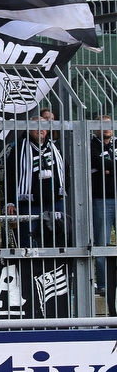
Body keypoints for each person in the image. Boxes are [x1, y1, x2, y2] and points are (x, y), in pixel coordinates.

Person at [3, 118, 68, 247]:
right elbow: (10, 176)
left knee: (56, 241)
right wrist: (10, 201)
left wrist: (62, 194)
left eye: (43, 126)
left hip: (55, 202)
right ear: (28, 129)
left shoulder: (55, 147)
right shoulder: (19, 147)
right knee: (28, 242)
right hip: (29, 204)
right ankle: (28, 267)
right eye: (35, 126)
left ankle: (53, 266)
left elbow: (66, 170)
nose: (40, 129)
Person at [90, 115, 115, 294]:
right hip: (101, 200)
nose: (106, 128)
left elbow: (104, 166)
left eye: (109, 125)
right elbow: (96, 162)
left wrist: (107, 168)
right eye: (102, 125)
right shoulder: (90, 144)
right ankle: (104, 284)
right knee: (102, 243)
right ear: (95, 128)